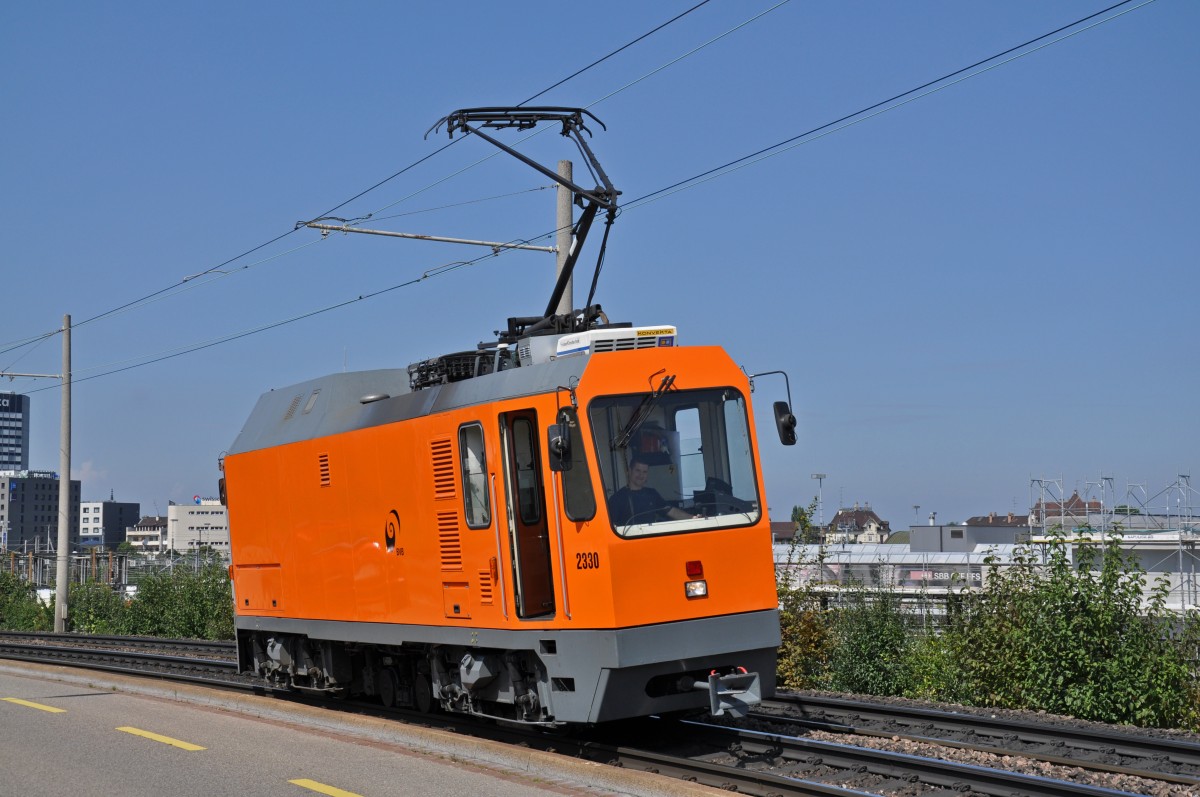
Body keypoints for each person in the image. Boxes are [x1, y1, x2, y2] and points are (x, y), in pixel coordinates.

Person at [608, 456, 696, 525]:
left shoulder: (652, 494)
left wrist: (693, 518)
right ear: (629, 471)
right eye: (637, 470)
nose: (641, 475)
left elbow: (671, 511)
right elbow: (610, 525)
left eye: (644, 472)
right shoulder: (617, 498)